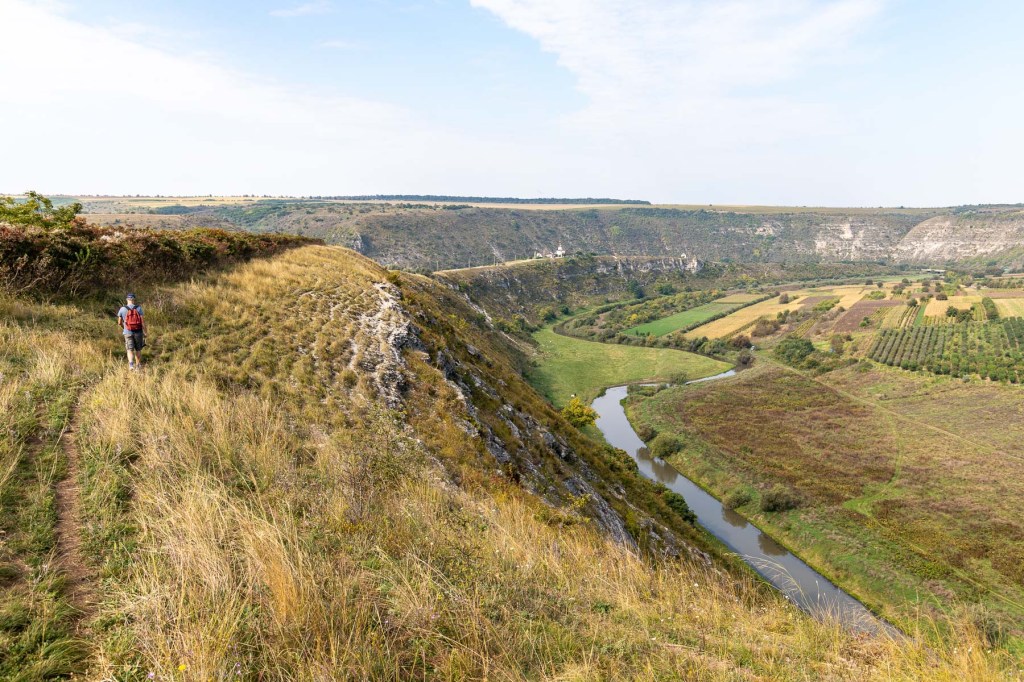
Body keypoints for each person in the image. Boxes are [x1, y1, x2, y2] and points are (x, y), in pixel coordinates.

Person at [117, 293, 146, 370]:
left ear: (127, 299)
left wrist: (124, 328)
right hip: (138, 332)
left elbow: (119, 322)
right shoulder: (139, 308)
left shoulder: (122, 309)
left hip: (127, 332)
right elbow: (142, 322)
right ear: (134, 300)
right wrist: (145, 332)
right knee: (138, 349)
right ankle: (138, 366)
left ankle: (131, 365)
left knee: (129, 349)